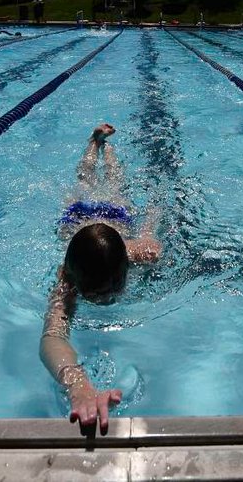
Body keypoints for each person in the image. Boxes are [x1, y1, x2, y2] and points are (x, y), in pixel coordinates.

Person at [40, 124, 161, 434]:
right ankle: (94, 142)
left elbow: (153, 219)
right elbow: (52, 336)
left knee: (114, 180)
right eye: (95, 293)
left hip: (115, 217)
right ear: (77, 281)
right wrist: (77, 385)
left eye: (112, 289)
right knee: (86, 179)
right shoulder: (67, 276)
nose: (106, 299)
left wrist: (151, 228)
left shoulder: (137, 253)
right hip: (77, 217)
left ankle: (106, 147)